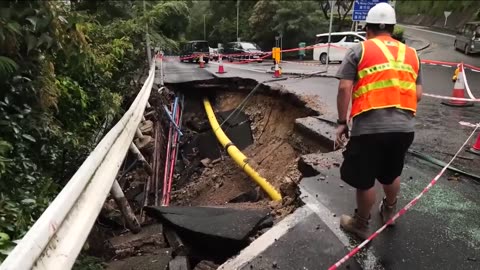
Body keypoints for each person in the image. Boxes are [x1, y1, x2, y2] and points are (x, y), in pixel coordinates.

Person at [335, 2, 423, 240]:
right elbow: (418, 94)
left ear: (368, 29)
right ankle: (390, 213)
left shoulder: (359, 50)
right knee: (391, 173)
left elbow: (345, 87)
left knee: (365, 180)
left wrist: (342, 121)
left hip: (369, 128)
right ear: (393, 29)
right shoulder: (412, 54)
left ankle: (361, 224)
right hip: (404, 127)